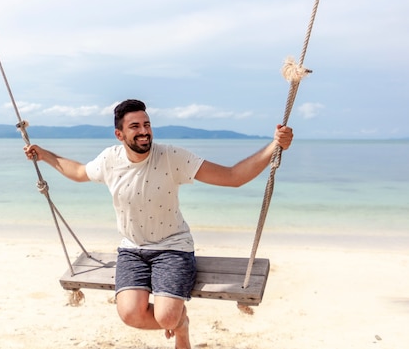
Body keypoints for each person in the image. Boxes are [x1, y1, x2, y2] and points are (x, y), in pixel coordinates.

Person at [24, 99, 293, 349]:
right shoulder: (110, 160)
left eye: (147, 124)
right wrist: (44, 154)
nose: (144, 131)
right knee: (130, 315)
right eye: (135, 126)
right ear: (120, 135)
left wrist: (274, 146)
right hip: (132, 250)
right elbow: (80, 172)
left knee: (166, 317)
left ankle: (180, 326)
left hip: (173, 248)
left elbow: (233, 176)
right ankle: (180, 320)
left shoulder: (172, 157)